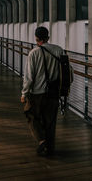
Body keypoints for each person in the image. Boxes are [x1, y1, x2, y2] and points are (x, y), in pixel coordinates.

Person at [21, 26, 64, 156]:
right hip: (53, 93)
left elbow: (29, 77)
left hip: (37, 94)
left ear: (37, 39)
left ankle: (41, 141)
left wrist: (24, 94)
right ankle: (50, 148)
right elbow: (68, 70)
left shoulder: (34, 53)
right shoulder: (59, 50)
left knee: (31, 115)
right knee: (50, 121)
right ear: (48, 38)